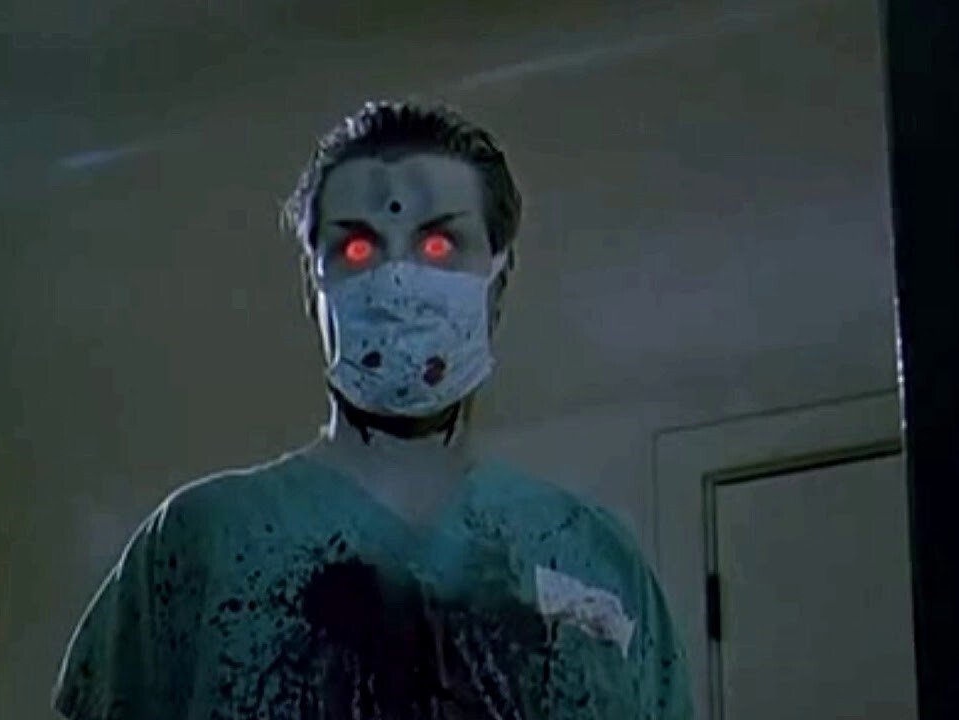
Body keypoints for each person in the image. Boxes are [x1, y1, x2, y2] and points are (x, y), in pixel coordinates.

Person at [52, 100, 694, 719]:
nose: (397, 278)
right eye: (358, 249)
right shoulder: (201, 545)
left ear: (498, 280)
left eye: (438, 245)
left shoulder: (594, 563)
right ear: (313, 287)